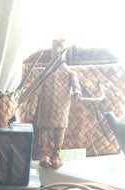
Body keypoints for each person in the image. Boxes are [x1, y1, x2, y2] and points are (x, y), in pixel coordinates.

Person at [36, 39, 81, 169]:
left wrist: (77, 92)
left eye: (60, 50)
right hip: (46, 106)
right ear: (52, 52)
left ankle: (56, 155)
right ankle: (44, 154)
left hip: (62, 106)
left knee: (60, 130)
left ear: (64, 52)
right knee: (43, 130)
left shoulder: (69, 72)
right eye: (55, 50)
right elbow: (36, 90)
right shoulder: (45, 72)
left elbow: (76, 86)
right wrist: (32, 107)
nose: (57, 52)